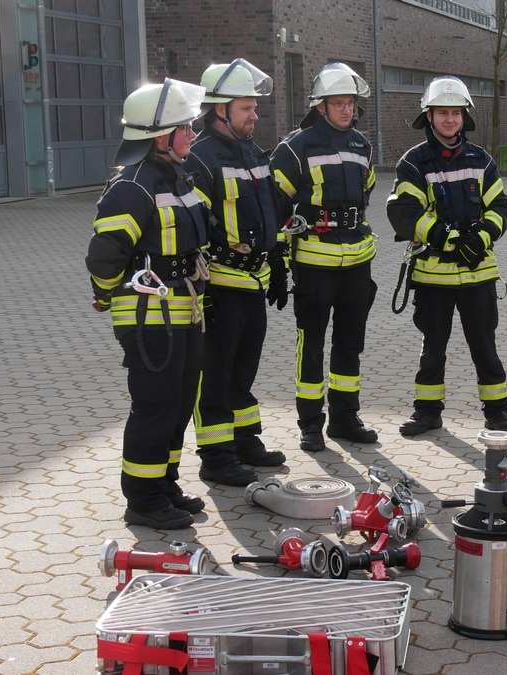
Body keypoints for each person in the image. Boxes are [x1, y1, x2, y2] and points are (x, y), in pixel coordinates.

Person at [85, 78, 212, 529]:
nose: (193, 134)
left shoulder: (176, 176)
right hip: (148, 318)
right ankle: (142, 499)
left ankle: (164, 485)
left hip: (182, 310)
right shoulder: (131, 186)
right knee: (156, 405)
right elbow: (104, 256)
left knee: (178, 403)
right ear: (162, 136)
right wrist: (107, 293)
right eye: (186, 127)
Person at [386, 76, 507, 437]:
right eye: (442, 112)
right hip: (433, 279)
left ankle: (498, 412)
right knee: (432, 350)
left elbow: (500, 207)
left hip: (479, 275)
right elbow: (405, 213)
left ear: (464, 116)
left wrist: (483, 237)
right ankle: (427, 413)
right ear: (428, 116)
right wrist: (447, 237)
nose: (449, 119)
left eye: (455, 113)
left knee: (485, 347)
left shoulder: (482, 160)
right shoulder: (413, 163)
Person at [186, 58, 285, 487]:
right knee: (216, 372)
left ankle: (245, 441)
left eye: (253, 107)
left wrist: (277, 256)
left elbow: (268, 212)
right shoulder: (200, 158)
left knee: (244, 369)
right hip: (221, 285)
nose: (255, 114)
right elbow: (192, 227)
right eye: (247, 107)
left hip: (253, 280)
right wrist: (201, 287)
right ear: (219, 109)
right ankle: (216, 454)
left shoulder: (251, 151)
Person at [269, 63, 379, 452]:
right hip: (314, 264)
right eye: (338, 103)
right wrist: (278, 263)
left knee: (350, 343)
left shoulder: (362, 146)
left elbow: (364, 195)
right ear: (320, 106)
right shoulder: (295, 147)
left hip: (357, 261)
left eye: (350, 103)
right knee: (311, 343)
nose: (347, 110)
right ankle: (311, 423)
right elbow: (275, 207)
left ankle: (345, 419)